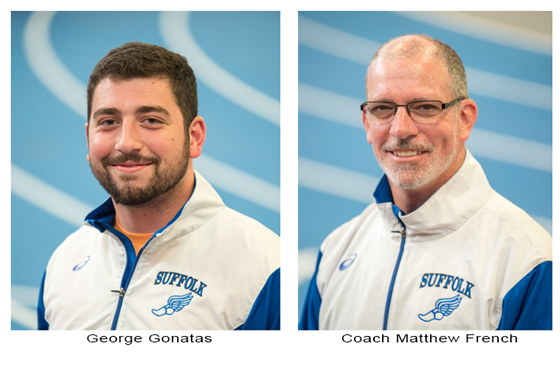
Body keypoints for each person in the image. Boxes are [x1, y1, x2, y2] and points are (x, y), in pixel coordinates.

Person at [299, 34, 551, 330]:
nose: (401, 129)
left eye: (425, 107)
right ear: (367, 123)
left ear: (464, 119)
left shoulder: (529, 261)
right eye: (382, 108)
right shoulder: (336, 250)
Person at [37, 42, 280, 330]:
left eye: (151, 120)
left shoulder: (266, 267)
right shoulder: (65, 259)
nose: (126, 142)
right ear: (88, 137)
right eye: (109, 121)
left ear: (194, 137)